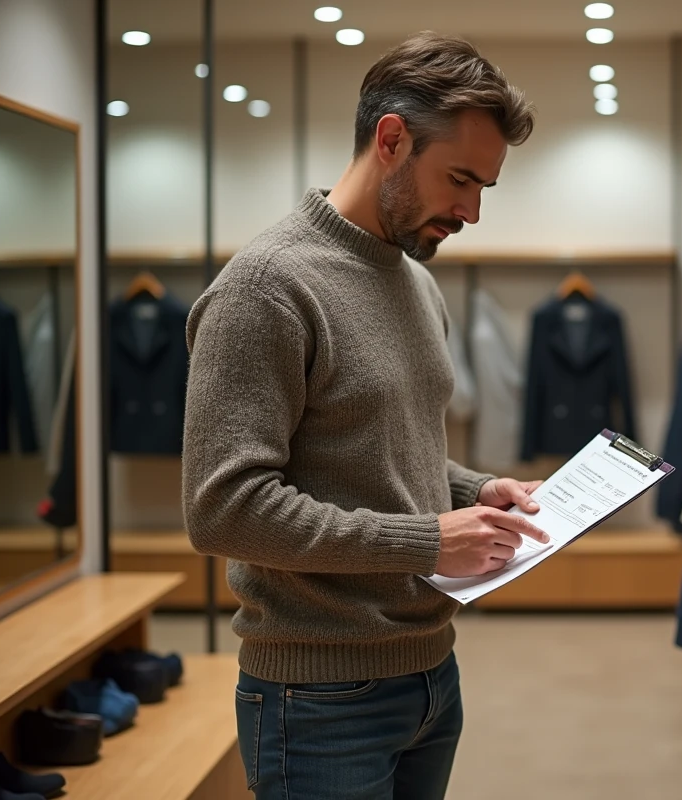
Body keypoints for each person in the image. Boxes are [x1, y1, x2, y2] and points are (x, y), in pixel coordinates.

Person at [182, 31, 542, 799]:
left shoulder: (416, 281)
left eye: (486, 188)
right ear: (391, 139)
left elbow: (382, 448)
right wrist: (424, 540)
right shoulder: (266, 288)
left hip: (429, 677)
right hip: (316, 699)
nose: (472, 212)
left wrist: (474, 492)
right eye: (460, 179)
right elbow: (222, 510)